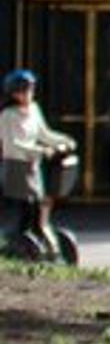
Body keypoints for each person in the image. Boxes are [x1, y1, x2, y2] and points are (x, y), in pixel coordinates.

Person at [0, 69, 75, 251]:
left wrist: (64, 140)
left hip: (33, 166)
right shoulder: (7, 116)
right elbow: (12, 145)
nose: (27, 94)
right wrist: (41, 151)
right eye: (23, 90)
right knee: (27, 208)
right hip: (16, 167)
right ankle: (18, 244)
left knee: (41, 206)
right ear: (13, 93)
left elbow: (44, 134)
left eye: (30, 89)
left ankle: (40, 239)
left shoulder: (34, 109)